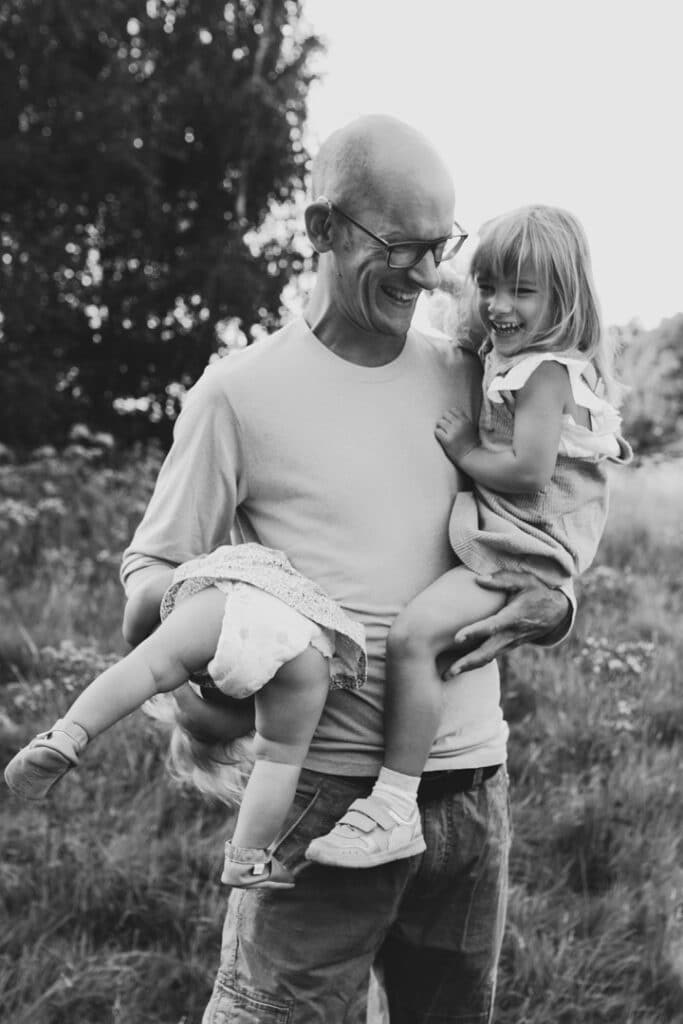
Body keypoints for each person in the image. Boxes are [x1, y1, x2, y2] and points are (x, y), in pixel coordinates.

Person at [118, 116, 573, 1023]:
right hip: (320, 801)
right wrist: (215, 693)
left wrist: (549, 609)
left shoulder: (472, 377)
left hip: (471, 798)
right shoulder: (236, 395)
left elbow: (540, 539)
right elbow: (151, 578)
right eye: (399, 244)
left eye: (438, 245)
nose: (426, 272)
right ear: (320, 228)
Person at [306, 204, 632, 869]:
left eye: (522, 290)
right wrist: (446, 273)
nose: (499, 306)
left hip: (525, 540)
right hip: (512, 533)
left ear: (563, 296)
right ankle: (395, 797)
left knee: (413, 637)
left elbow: (527, 472)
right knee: (414, 637)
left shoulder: (545, 375)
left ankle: (393, 802)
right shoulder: (509, 353)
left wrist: (463, 450)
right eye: (491, 286)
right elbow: (465, 300)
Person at [3, 542, 366, 888]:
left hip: (280, 627)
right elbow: (144, 604)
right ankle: (70, 731)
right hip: (282, 613)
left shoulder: (246, 714)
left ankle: (248, 856)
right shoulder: (215, 587)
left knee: (272, 754)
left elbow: (143, 604)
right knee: (276, 754)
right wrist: (139, 632)